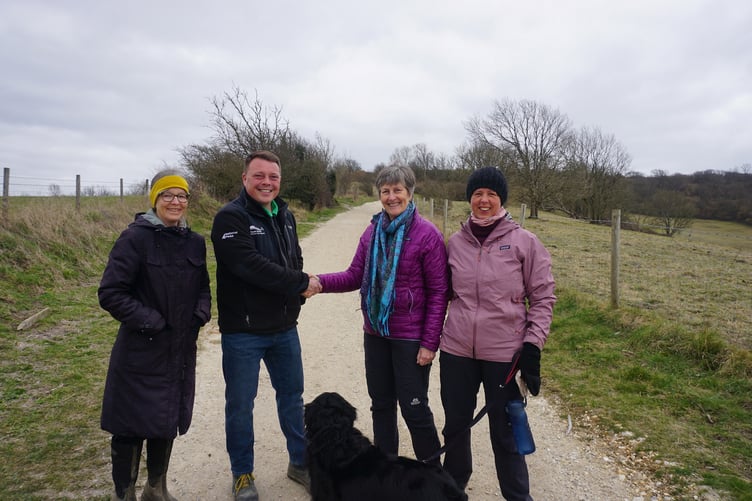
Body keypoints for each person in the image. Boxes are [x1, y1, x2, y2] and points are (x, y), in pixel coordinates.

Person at [314, 164, 448, 464]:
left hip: (410, 338)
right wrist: (318, 282)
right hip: (375, 333)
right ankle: (387, 473)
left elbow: (439, 293)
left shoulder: (427, 235)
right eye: (385, 191)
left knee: (414, 408)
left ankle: (433, 475)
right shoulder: (372, 231)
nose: (391, 197)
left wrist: (429, 343)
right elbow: (354, 276)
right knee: (381, 405)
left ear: (410, 193)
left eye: (397, 190)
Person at [439, 166, 556, 500]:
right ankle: (452, 487)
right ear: (469, 199)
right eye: (478, 194)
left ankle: (517, 496)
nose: (484, 200)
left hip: (504, 354)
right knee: (456, 426)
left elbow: (544, 296)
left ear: (501, 199)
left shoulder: (524, 242)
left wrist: (533, 346)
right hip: (457, 349)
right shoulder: (456, 243)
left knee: (506, 431)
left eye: (491, 194)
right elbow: (441, 293)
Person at [98, 170, 211, 501]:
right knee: (129, 428)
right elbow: (111, 292)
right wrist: (152, 322)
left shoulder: (195, 241)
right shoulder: (134, 238)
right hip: (140, 351)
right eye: (167, 195)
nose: (175, 202)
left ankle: (156, 489)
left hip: (179, 350)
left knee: (167, 419)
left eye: (182, 196)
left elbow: (203, 288)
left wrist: (200, 315)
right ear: (155, 199)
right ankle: (125, 495)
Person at [210, 150, 317, 501]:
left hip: (284, 328)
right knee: (240, 405)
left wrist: (296, 297)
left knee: (293, 398)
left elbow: (294, 256)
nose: (267, 182)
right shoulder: (230, 218)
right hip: (243, 332)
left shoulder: (285, 214)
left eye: (273, 176)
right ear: (244, 178)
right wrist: (300, 282)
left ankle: (300, 463)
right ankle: (242, 475)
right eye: (259, 176)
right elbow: (250, 266)